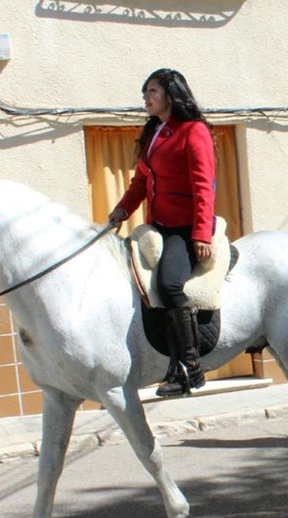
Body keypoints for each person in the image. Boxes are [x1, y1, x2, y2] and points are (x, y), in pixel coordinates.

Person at [109, 68, 215, 396]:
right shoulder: (155, 132)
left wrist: (201, 233)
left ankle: (191, 369)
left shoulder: (193, 130)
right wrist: (122, 210)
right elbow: (141, 181)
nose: (146, 98)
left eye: (152, 91)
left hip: (185, 228)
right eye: (145, 93)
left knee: (169, 285)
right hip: (158, 226)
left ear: (171, 94)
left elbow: (203, 185)